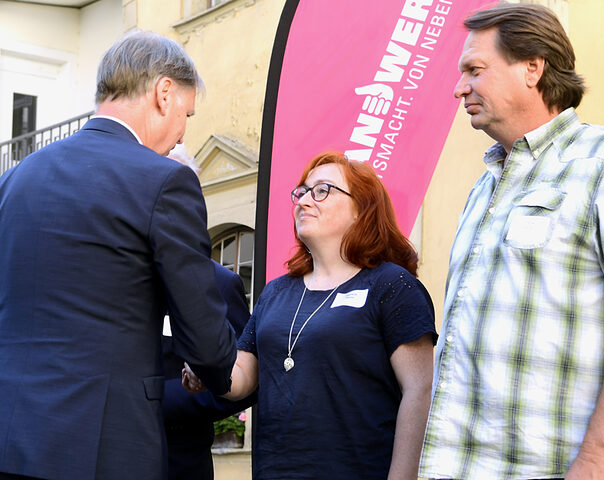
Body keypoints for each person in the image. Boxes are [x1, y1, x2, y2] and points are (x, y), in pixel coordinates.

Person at [0, 31, 237, 480]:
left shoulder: (16, 181)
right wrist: (219, 376)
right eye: (186, 114)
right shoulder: (165, 182)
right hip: (104, 452)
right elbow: (205, 336)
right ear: (163, 92)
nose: (181, 135)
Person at [419, 3, 604, 479]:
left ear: (533, 68)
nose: (460, 87)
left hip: (563, 469)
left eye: (475, 69)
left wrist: (599, 455)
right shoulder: (483, 187)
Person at [184, 152, 437, 479]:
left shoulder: (391, 285)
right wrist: (208, 366)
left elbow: (420, 390)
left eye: (322, 191)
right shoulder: (276, 291)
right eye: (302, 192)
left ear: (362, 209)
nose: (304, 201)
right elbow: (242, 378)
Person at [162, 145, 256, 480]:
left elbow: (242, 382)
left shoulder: (220, 282)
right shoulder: (112, 275)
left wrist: (155, 399)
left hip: (178, 465)